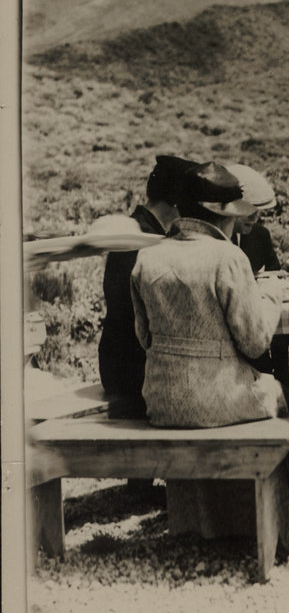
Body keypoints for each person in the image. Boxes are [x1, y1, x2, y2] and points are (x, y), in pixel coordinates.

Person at [130, 161, 286, 427]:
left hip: (161, 401)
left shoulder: (147, 256)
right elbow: (255, 343)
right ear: (225, 216)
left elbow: (144, 338)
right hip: (220, 398)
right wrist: (271, 294)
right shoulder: (229, 257)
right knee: (281, 396)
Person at [98, 154, 198, 419]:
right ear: (176, 200)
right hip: (131, 369)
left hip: (120, 361)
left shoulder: (139, 230)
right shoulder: (144, 240)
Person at [226, 162, 281, 273]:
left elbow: (274, 274)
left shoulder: (260, 235)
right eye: (247, 210)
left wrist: (285, 271)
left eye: (257, 210)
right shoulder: (208, 239)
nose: (254, 218)